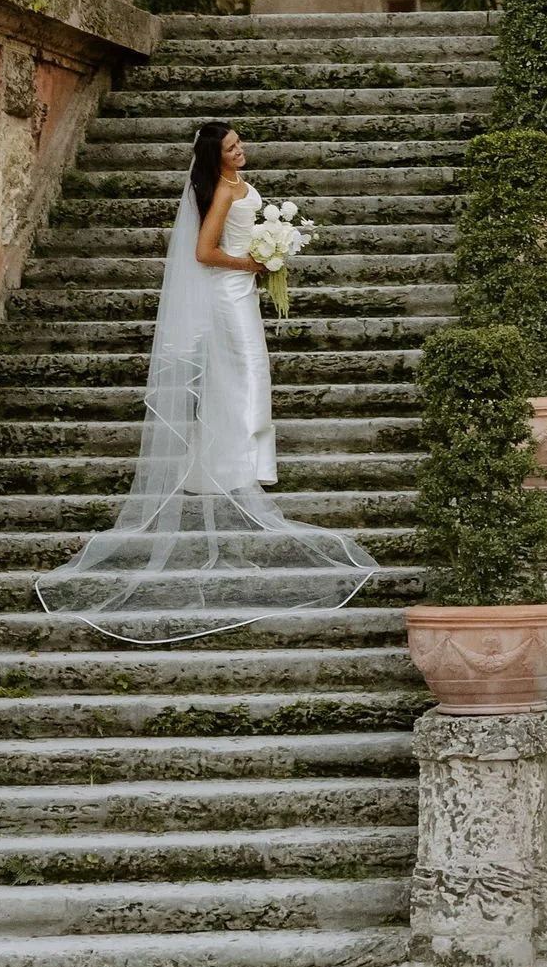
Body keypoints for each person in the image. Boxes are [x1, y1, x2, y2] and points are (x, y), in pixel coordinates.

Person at [37, 117, 374, 638]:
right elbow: (203, 253)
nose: (241, 152)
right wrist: (257, 262)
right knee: (247, 372)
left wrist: (269, 244)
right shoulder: (219, 191)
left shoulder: (239, 183)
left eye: (241, 144)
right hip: (226, 291)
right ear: (216, 156)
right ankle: (239, 462)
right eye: (232, 147)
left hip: (239, 289)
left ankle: (233, 458)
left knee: (246, 374)